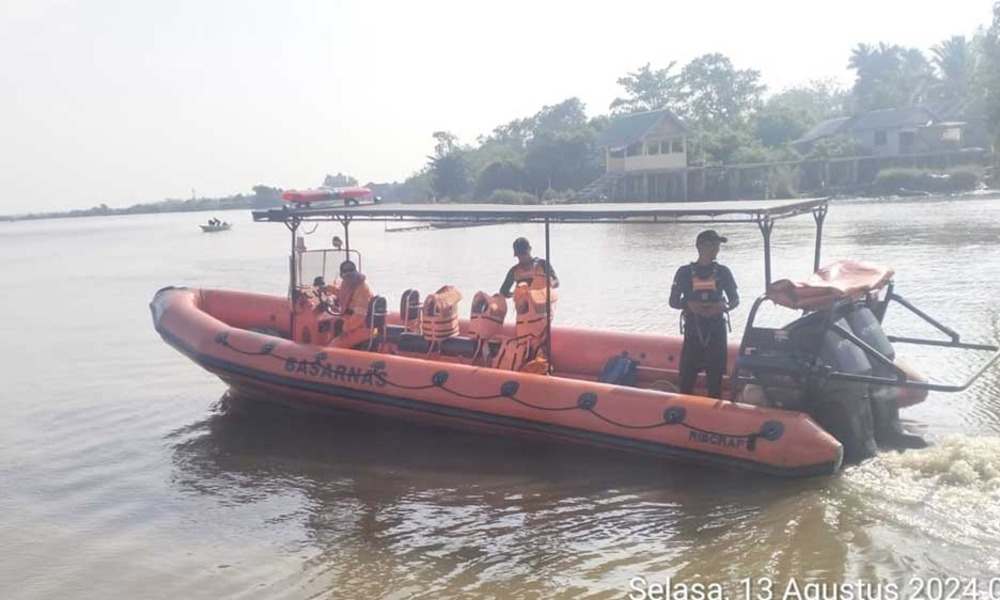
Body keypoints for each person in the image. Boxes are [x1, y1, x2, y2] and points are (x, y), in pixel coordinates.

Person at [669, 230, 739, 399]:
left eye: (718, 245)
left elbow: (735, 299)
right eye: (712, 245)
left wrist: (724, 307)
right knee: (687, 377)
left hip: (716, 330)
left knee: (715, 379)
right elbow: (673, 301)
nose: (716, 249)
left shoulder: (724, 272)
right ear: (700, 246)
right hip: (694, 330)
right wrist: (689, 305)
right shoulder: (684, 272)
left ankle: (714, 414)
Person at [332, 260, 374, 348]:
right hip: (350, 319)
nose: (348, 276)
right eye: (346, 273)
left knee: (334, 345)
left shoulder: (362, 289)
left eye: (350, 272)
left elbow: (359, 316)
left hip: (361, 326)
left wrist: (346, 328)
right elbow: (343, 294)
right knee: (336, 322)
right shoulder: (349, 283)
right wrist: (328, 290)